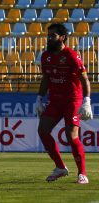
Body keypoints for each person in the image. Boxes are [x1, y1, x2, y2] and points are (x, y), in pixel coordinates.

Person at [35, 23, 93, 184]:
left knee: (71, 135)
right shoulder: (45, 56)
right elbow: (46, 79)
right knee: (43, 131)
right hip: (55, 100)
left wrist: (87, 101)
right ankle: (60, 167)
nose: (49, 38)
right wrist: (39, 98)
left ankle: (82, 173)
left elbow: (84, 79)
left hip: (72, 100)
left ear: (63, 37)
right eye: (48, 35)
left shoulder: (72, 56)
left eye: (52, 35)